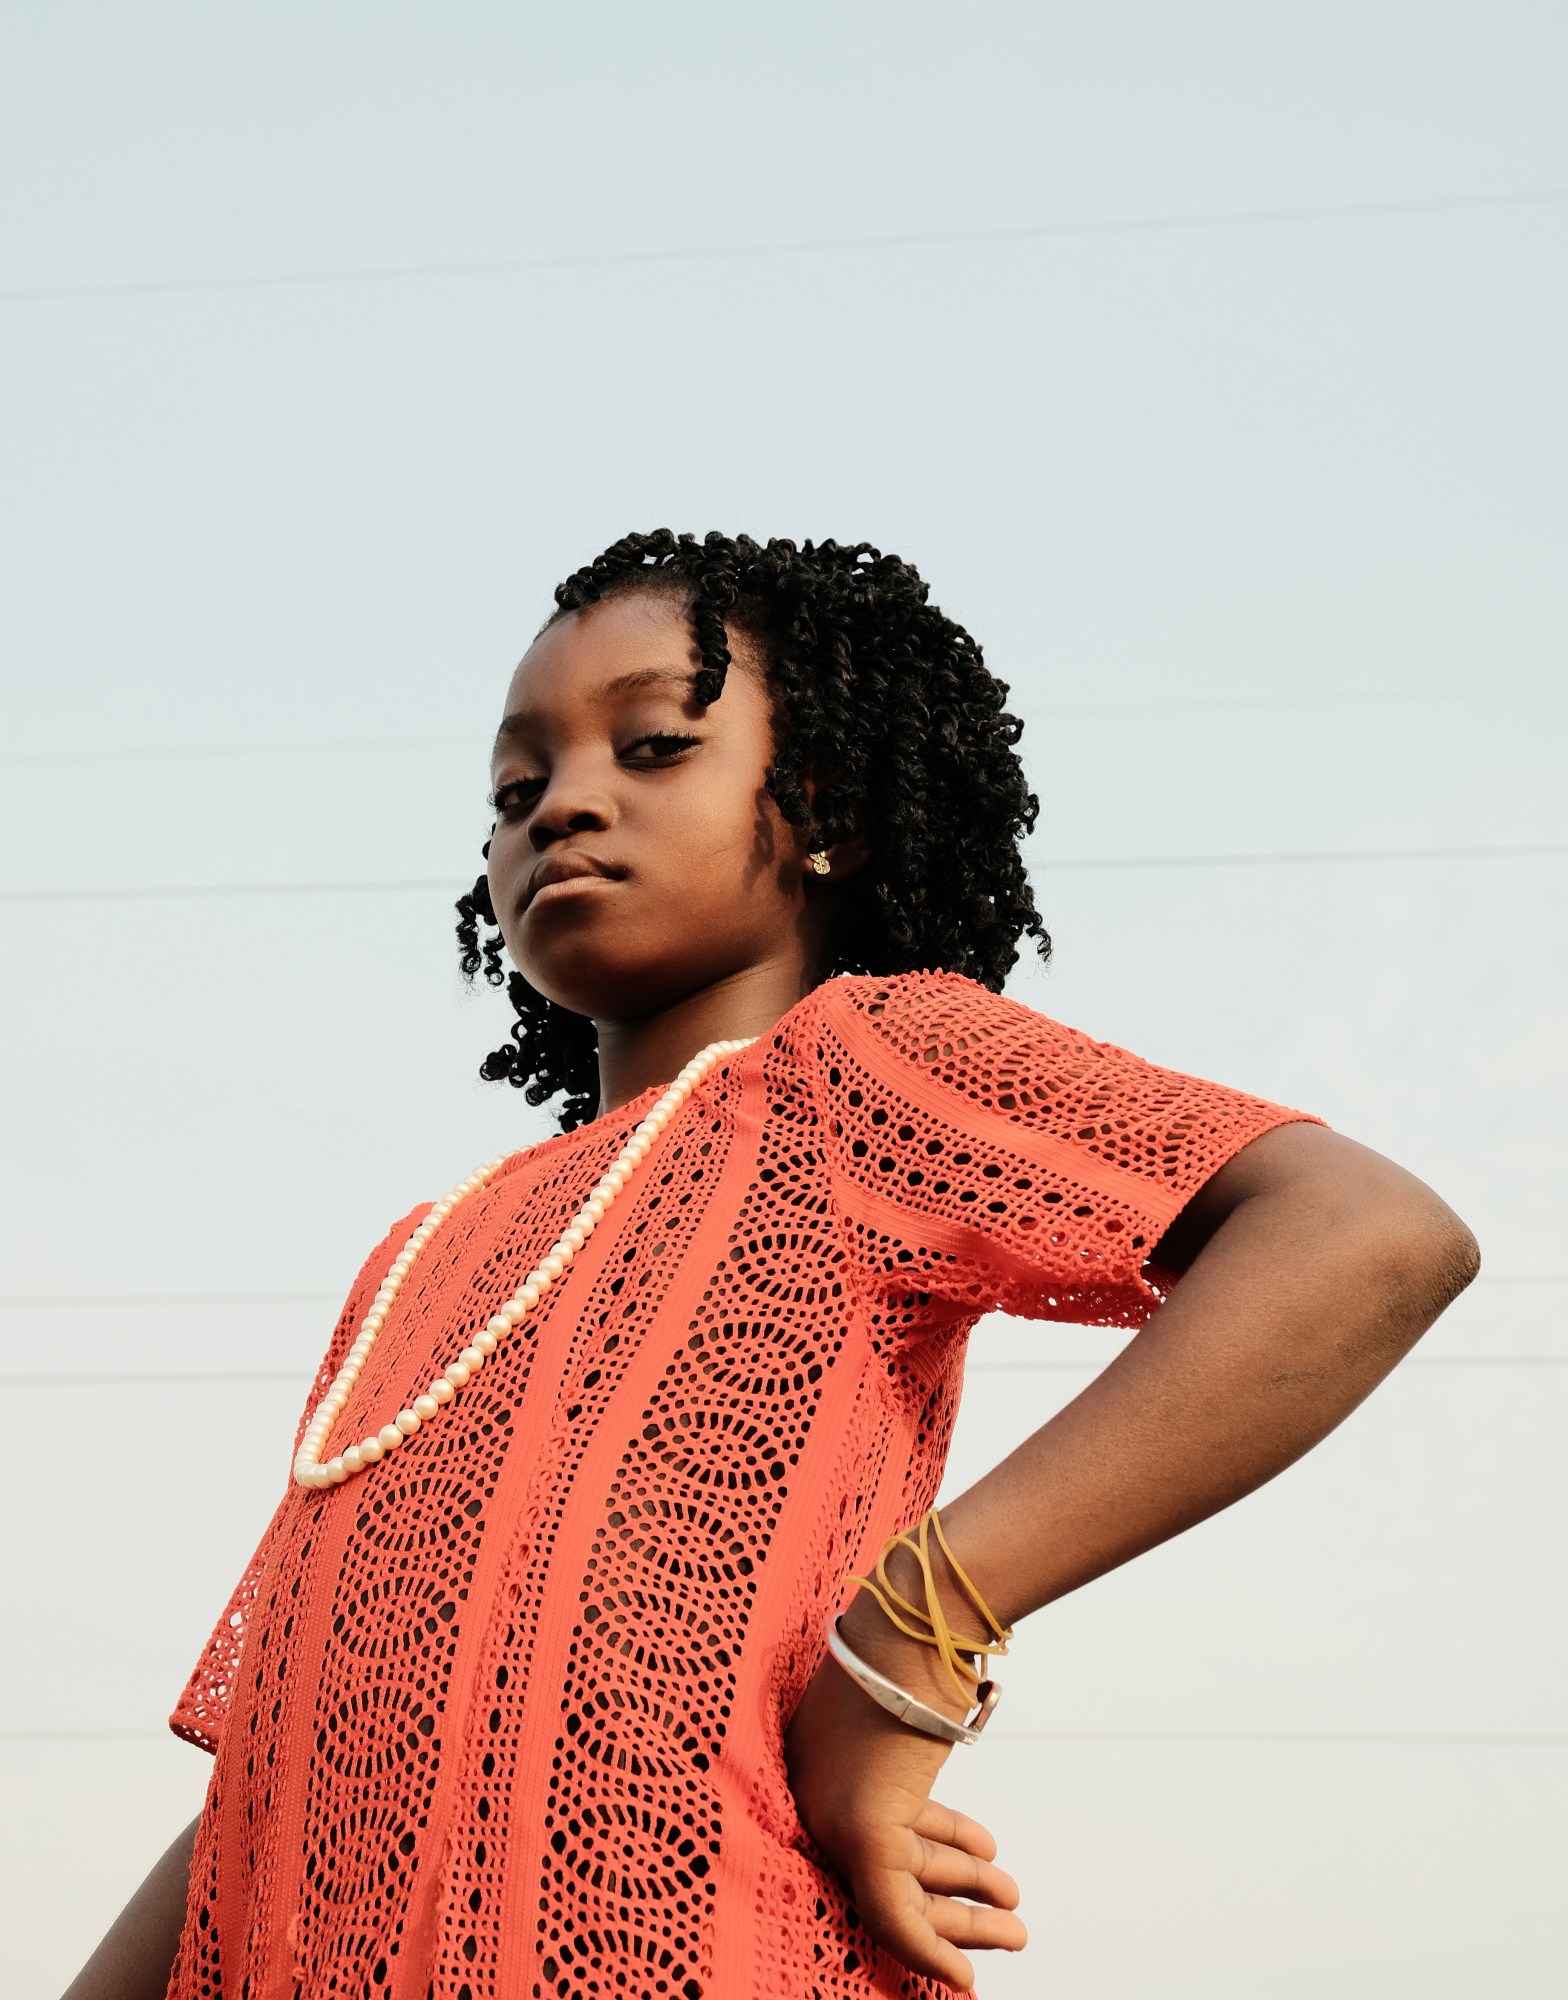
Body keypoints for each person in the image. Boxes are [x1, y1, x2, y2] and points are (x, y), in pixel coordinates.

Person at [65, 531, 1479, 2000]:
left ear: (831, 815)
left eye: (656, 744)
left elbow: (1361, 1238)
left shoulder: (860, 1067)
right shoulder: (417, 1256)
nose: (566, 806)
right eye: (514, 790)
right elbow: (285, 1758)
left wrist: (914, 1631)